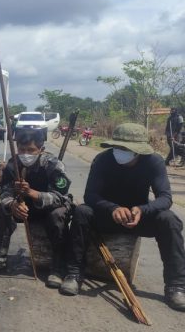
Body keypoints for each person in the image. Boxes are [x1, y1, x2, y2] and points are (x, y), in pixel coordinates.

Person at [60, 123, 185, 310]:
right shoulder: (102, 160)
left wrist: (142, 210)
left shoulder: (153, 162)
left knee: (169, 219)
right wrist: (112, 208)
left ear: (139, 151)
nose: (120, 151)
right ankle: (74, 273)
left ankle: (176, 285)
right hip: (105, 215)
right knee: (82, 212)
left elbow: (165, 198)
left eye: (126, 148)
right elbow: (91, 195)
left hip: (137, 217)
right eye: (117, 147)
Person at [0, 127, 71, 286]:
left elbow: (60, 197)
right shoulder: (12, 164)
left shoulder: (53, 165)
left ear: (41, 149)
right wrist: (13, 205)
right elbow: (5, 193)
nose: (25, 154)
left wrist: (32, 193)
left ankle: (58, 267)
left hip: (48, 209)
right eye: (22, 149)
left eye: (31, 150)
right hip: (23, 209)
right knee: (2, 210)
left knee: (58, 214)